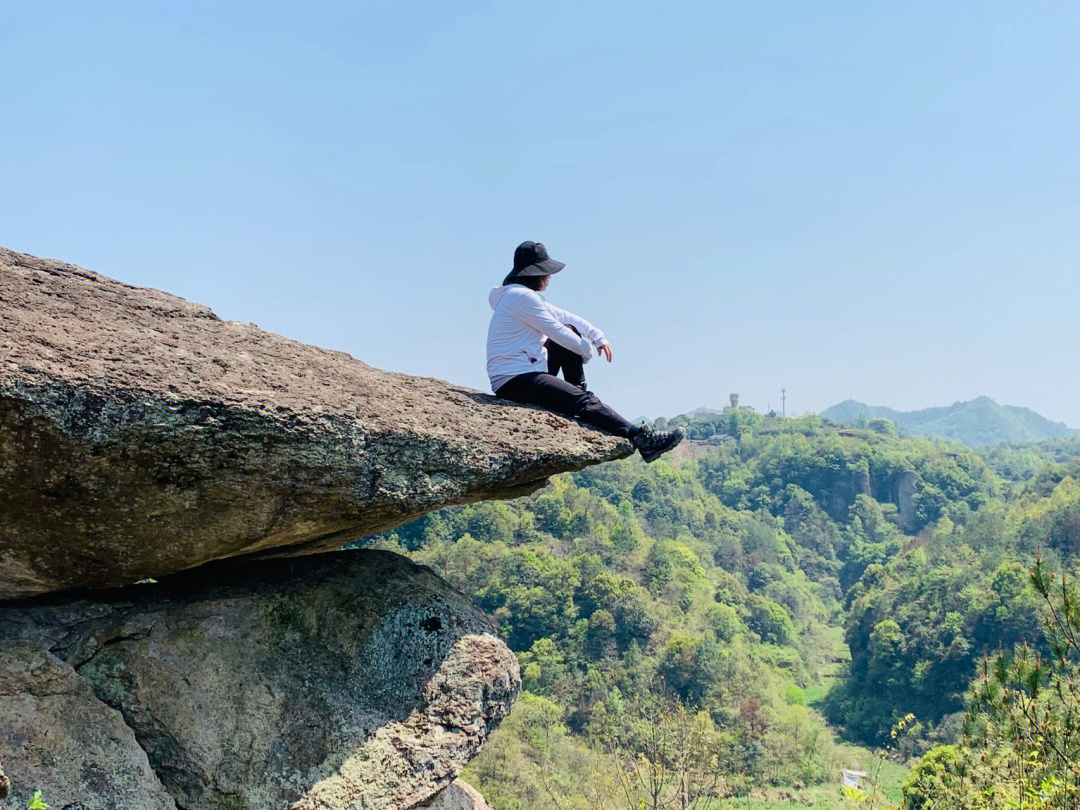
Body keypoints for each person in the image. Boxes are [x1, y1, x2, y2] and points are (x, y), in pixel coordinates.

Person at [486, 241, 684, 463]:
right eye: (547, 272)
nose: (549, 277)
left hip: (522, 373)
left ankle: (576, 396)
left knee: (571, 332)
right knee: (575, 372)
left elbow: (566, 319)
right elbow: (557, 332)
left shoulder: (517, 296)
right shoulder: (521, 298)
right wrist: (586, 352)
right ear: (535, 273)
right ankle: (641, 438)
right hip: (515, 380)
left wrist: (597, 336)